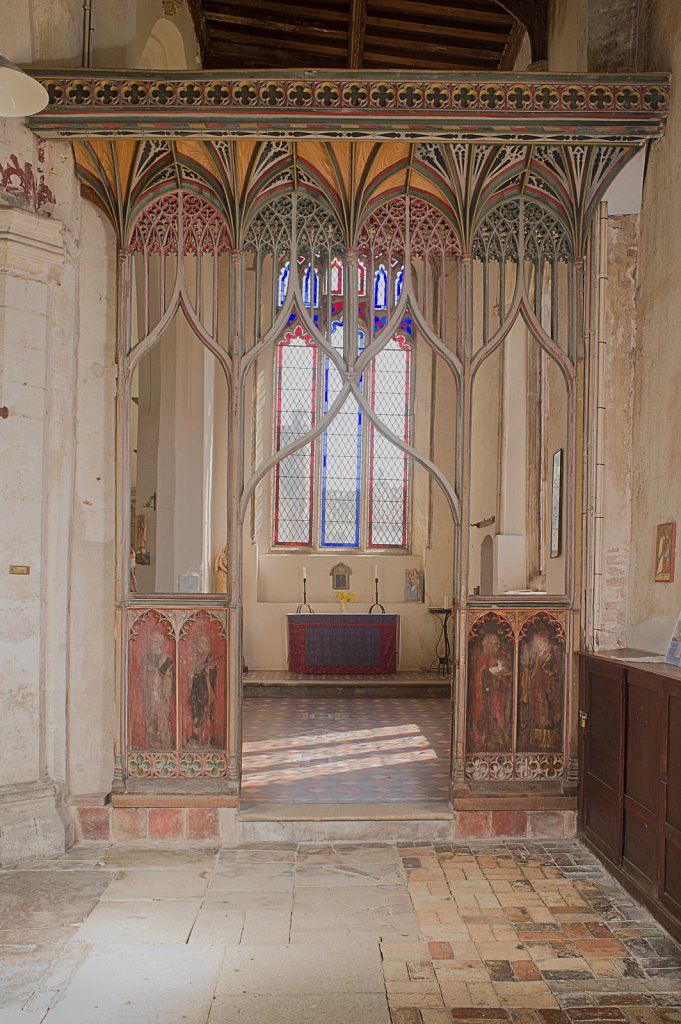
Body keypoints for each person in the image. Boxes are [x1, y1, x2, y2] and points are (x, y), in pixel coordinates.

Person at [466, 629, 513, 752]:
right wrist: (485, 672)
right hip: (483, 693)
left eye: (497, 644)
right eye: (492, 644)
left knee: (498, 713)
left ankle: (498, 738)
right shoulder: (481, 658)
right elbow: (477, 675)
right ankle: (483, 738)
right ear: (486, 645)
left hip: (497, 692)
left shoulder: (500, 657)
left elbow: (506, 673)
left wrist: (502, 675)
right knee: (484, 714)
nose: (495, 647)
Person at [518, 625, 562, 750]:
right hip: (535, 688)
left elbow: (554, 672)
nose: (540, 644)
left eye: (542, 642)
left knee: (544, 712)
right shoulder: (536, 655)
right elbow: (529, 669)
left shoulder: (550, 655)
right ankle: (534, 739)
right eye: (539, 642)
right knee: (535, 712)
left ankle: (545, 741)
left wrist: (549, 674)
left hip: (544, 689)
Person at [140, 629, 174, 748]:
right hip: (150, 693)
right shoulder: (146, 657)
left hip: (160, 694)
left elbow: (168, 677)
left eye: (154, 641)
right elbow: (142, 676)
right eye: (151, 641)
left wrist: (154, 671)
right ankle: (151, 739)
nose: (152, 644)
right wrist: (146, 670)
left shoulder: (166, 660)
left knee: (161, 716)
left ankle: (163, 740)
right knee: (150, 716)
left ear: (160, 642)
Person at [188, 631, 220, 746]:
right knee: (196, 717)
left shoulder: (210, 662)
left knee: (202, 717)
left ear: (207, 644)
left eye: (202, 642)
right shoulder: (197, 660)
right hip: (195, 694)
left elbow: (211, 684)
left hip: (205, 695)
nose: (199, 645)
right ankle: (196, 738)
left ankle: (205, 739)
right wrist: (191, 675)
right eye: (198, 642)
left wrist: (205, 674)